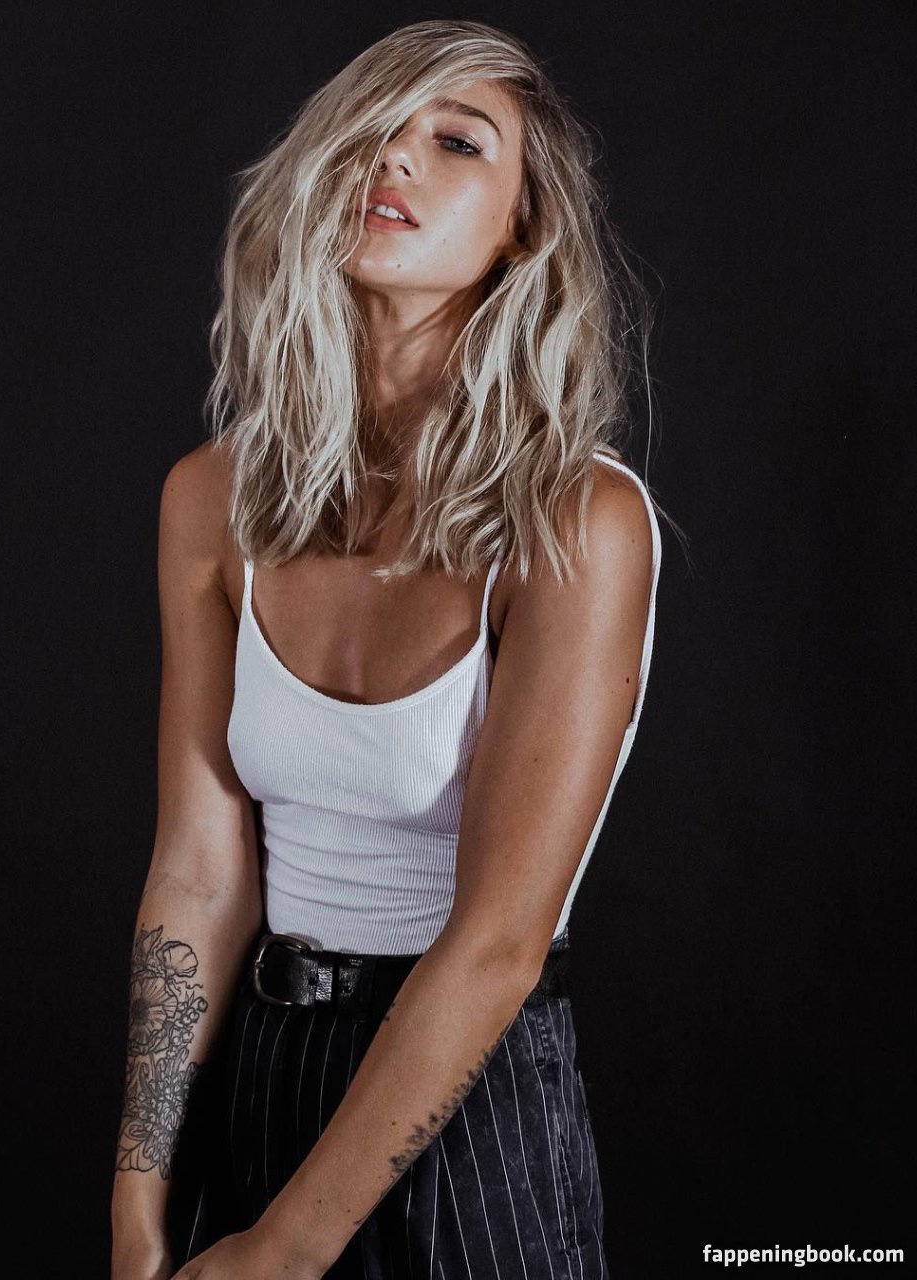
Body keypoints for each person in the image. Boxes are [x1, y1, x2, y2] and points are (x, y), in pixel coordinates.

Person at [111, 18, 668, 1280]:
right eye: (373, 128)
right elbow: (196, 871)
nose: (394, 157)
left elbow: (498, 940)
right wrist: (138, 1204)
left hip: (470, 1101)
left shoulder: (575, 520)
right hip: (258, 1075)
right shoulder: (212, 498)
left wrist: (285, 1249)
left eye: (455, 141)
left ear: (521, 227)